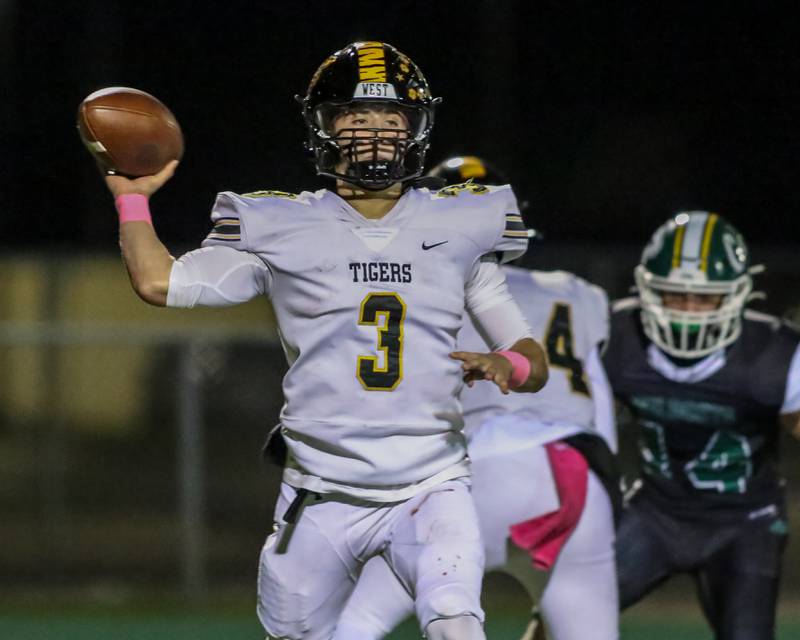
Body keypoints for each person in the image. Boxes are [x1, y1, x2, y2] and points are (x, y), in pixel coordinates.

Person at [96, 43, 548, 640]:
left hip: (432, 486)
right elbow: (161, 282)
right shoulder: (281, 226)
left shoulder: (462, 222)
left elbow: (532, 359)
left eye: (392, 120)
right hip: (320, 490)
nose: (375, 135)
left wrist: (506, 363)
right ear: (324, 129)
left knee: (456, 624)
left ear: (417, 131)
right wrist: (132, 198)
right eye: (355, 118)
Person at [336, 156, 620, 640]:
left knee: (350, 623)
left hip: (478, 472)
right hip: (576, 482)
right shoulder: (578, 293)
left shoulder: (415, 291)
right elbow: (601, 412)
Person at [604, 211, 800, 640]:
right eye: (676, 295)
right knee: (561, 612)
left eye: (704, 298)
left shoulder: (774, 355)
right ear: (649, 291)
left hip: (745, 523)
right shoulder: (617, 335)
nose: (689, 311)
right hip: (656, 513)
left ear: (736, 296)